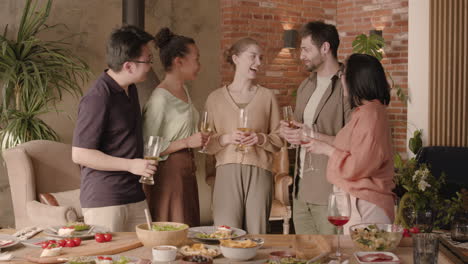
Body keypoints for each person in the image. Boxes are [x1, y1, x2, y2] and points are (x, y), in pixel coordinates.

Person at [72, 25, 156, 232]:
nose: (150, 66)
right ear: (128, 66)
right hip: (105, 200)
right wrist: (130, 165)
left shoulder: (131, 89)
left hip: (134, 194)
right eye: (148, 60)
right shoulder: (98, 97)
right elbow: (80, 154)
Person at [303, 53, 396, 233]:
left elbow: (358, 166)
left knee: (366, 258)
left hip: (366, 204)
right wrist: (312, 135)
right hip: (360, 202)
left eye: (343, 75)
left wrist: (327, 150)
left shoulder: (370, 115)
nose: (341, 80)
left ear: (356, 79)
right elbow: (349, 147)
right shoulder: (367, 112)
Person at [204, 37, 283, 234]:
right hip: (226, 172)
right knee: (225, 234)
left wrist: (261, 138)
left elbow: (279, 138)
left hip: (260, 172)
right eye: (253, 56)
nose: (258, 62)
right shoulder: (214, 99)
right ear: (236, 58)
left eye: (260, 58)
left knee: (257, 234)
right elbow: (205, 143)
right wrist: (226, 138)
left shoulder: (267, 97)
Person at [279, 21, 352, 234]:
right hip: (301, 192)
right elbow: (300, 131)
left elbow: (353, 141)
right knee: (305, 255)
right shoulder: (306, 85)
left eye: (306, 49)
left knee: (331, 255)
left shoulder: (348, 86)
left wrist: (311, 134)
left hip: (329, 191)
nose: (301, 55)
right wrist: (288, 133)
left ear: (325, 48)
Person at [142, 28, 208, 227]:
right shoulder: (160, 98)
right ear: (179, 61)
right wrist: (187, 141)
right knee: (174, 230)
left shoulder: (183, 90)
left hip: (186, 170)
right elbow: (147, 147)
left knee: (188, 228)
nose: (199, 65)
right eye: (196, 59)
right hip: (169, 174)